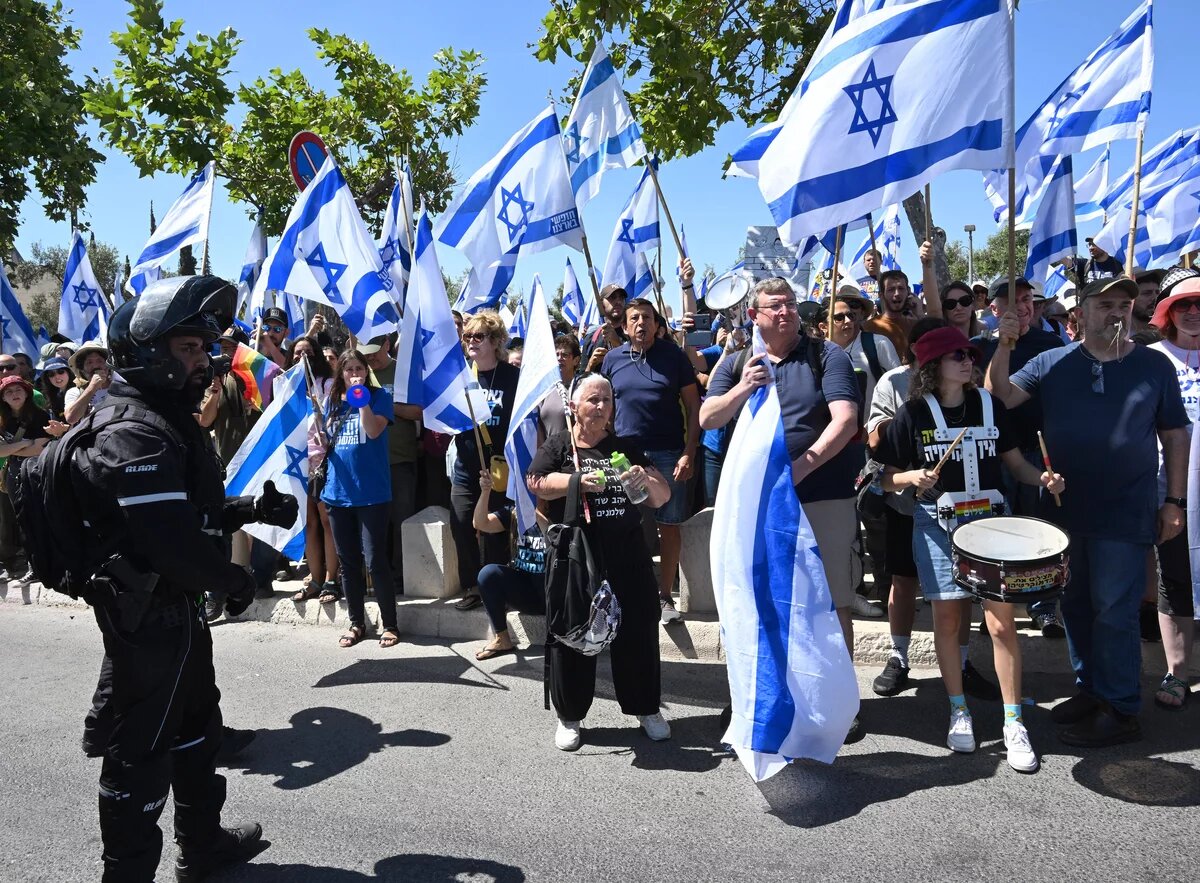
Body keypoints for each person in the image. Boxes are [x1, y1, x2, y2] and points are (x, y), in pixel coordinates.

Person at [73, 276, 300, 881]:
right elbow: (168, 543)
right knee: (139, 751)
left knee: (199, 724)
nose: (203, 358)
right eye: (188, 347)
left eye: (203, 347)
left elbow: (188, 511)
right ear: (149, 348)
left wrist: (253, 509)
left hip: (177, 612)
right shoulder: (130, 430)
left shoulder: (165, 418)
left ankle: (202, 844)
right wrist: (231, 578)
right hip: (145, 616)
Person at [987, 276, 1190, 747]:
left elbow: (1175, 434)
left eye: (1125, 304)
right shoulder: (1050, 361)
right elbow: (1000, 395)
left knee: (1114, 609)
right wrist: (1004, 343)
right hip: (1062, 510)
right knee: (1075, 604)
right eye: (1106, 304)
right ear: (1081, 313)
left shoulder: (1153, 365)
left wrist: (1174, 502)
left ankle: (1121, 709)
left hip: (1126, 510)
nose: (1117, 312)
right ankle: (1091, 689)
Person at [877, 326, 1064, 772]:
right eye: (955, 355)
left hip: (992, 524)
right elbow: (884, 475)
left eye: (968, 353)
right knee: (948, 616)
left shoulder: (990, 405)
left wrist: (1042, 479)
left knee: (1002, 625)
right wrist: (911, 479)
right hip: (937, 524)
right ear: (931, 365)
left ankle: (1012, 720)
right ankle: (958, 709)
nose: (967, 360)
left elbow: (1015, 464)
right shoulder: (913, 413)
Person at [701, 277, 866, 740]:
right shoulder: (738, 361)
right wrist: (741, 389)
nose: (787, 311)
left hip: (821, 497)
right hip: (756, 504)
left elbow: (846, 420)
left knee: (831, 602)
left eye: (791, 304)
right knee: (758, 599)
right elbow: (707, 417)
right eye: (775, 305)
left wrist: (802, 467)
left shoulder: (826, 355)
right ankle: (755, 695)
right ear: (754, 315)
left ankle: (840, 704)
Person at [528, 373, 673, 751]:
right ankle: (570, 715)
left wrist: (644, 479)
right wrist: (576, 481)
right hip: (578, 561)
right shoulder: (559, 446)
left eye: (607, 400)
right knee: (573, 636)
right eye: (593, 399)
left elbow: (659, 497)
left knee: (639, 632)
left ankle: (646, 708)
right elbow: (535, 481)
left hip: (628, 558)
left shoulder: (626, 448)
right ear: (573, 406)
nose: (601, 406)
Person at [867, 318, 1000, 700]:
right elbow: (876, 438)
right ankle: (899, 656)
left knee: (956, 595)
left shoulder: (979, 399)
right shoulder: (892, 382)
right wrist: (910, 427)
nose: (961, 358)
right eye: (943, 349)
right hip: (909, 507)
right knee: (903, 581)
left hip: (962, 510)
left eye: (963, 351)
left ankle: (960, 662)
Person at [973, 275, 1066, 639]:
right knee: (997, 532)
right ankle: (997, 606)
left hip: (1036, 450)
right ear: (993, 310)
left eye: (1027, 299)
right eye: (1012, 302)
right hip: (992, 454)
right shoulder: (977, 348)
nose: (1022, 306)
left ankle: (1044, 606)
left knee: (1039, 530)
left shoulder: (1052, 344)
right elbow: (992, 395)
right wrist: (1004, 345)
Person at [601, 296, 701, 624]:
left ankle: (664, 596)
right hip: (624, 459)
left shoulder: (673, 358)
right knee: (624, 525)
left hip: (669, 455)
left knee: (669, 526)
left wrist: (689, 452)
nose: (641, 323)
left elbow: (694, 407)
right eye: (634, 318)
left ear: (657, 325)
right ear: (625, 326)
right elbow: (604, 409)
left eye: (647, 317)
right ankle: (629, 591)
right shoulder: (612, 360)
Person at [1146, 277, 1200, 709]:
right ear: (1169, 313)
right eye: (1184, 305)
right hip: (1172, 492)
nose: (1193, 313)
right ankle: (1177, 673)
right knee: (1175, 580)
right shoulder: (1152, 360)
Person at [321, 350, 398, 649]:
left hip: (373, 493)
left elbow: (373, 430)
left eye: (359, 368)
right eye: (349, 369)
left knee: (376, 560)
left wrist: (361, 398)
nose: (355, 373)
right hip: (338, 493)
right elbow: (328, 439)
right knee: (348, 563)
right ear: (340, 373)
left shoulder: (379, 397)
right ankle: (356, 623)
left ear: (366, 372)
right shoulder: (331, 402)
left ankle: (390, 623)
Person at [450, 312, 518, 611]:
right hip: (467, 466)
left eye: (478, 337)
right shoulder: (461, 377)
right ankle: (472, 585)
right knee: (461, 521)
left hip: (500, 467)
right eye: (468, 337)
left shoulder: (512, 377)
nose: (471, 343)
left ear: (494, 341)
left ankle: (496, 586)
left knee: (494, 530)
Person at [358, 333, 422, 596]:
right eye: (366, 352)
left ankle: (399, 577)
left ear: (387, 344)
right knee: (374, 524)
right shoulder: (360, 373)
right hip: (369, 463)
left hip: (400, 459)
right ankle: (376, 576)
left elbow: (418, 411)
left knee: (401, 521)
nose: (370, 357)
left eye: (374, 350)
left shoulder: (403, 372)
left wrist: (387, 406)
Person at [287, 336, 341, 605]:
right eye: (296, 354)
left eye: (307, 353)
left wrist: (320, 408)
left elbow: (336, 427)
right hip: (298, 465)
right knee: (308, 524)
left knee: (326, 522)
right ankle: (315, 578)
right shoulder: (286, 388)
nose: (301, 358)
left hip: (324, 463)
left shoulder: (329, 385)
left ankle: (332, 579)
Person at [471, 469, 546, 661]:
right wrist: (485, 491)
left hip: (554, 590)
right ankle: (502, 638)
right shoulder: (514, 511)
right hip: (527, 590)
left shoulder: (557, 509)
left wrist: (539, 514)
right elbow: (481, 523)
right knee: (488, 574)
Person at [64, 340, 111, 425]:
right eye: (89, 362)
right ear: (82, 369)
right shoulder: (75, 393)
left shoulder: (121, 387)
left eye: (100, 361)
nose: (95, 366)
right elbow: (71, 418)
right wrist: (92, 387)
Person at [582, 283, 627, 371]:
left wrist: (618, 345)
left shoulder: (634, 334)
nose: (618, 301)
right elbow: (581, 380)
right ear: (601, 304)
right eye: (612, 297)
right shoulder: (591, 338)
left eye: (621, 297)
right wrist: (591, 364)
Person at [36, 355, 74, 421]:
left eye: (61, 371)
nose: (57, 376)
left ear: (69, 372)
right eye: (51, 374)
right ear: (47, 378)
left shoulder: (80, 391)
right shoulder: (53, 397)